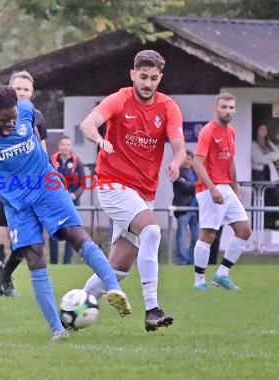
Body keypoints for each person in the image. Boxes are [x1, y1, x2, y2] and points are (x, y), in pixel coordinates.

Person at [0, 84, 132, 341]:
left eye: (14, 118)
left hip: (46, 187)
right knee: (35, 257)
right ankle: (57, 329)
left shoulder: (28, 111)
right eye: (3, 120)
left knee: (76, 235)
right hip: (16, 203)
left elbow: (35, 132)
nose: (10, 124)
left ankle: (114, 290)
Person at [79, 49, 186, 332]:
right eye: (143, 77)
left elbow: (179, 145)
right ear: (133, 75)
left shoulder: (168, 107)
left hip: (143, 194)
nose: (148, 83)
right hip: (113, 185)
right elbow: (87, 124)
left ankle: (75, 309)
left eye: (153, 78)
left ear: (160, 78)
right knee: (152, 231)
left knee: (118, 268)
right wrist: (100, 140)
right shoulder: (120, 98)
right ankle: (152, 309)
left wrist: (176, 161)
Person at [0, 70, 48, 297]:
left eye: (26, 89)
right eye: (18, 89)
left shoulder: (37, 116)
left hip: (29, 185)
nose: (22, 93)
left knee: (27, 237)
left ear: (32, 93)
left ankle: (7, 275)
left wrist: (47, 176)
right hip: (2, 184)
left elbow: (42, 148)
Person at [192, 92, 252, 291]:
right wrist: (212, 188)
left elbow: (230, 161)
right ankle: (199, 280)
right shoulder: (208, 131)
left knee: (244, 230)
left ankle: (222, 275)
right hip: (209, 188)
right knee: (208, 234)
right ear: (216, 108)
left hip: (227, 187)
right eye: (224, 107)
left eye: (231, 107)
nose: (228, 111)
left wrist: (234, 187)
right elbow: (197, 163)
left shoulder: (231, 132)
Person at [48, 136, 86, 264]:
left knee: (71, 231)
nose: (66, 147)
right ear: (59, 146)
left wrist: (75, 195)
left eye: (68, 144)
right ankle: (53, 262)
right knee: (54, 229)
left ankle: (67, 262)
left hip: (71, 203)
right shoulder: (52, 160)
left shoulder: (77, 162)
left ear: (71, 147)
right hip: (54, 202)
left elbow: (83, 183)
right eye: (63, 144)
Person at [172, 151, 199, 265]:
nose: (187, 162)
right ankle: (181, 260)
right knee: (181, 236)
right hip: (183, 209)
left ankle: (191, 260)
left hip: (196, 210)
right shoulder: (177, 173)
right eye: (185, 159)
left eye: (189, 159)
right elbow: (185, 187)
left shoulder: (197, 173)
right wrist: (199, 184)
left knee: (196, 236)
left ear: (193, 161)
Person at [251, 124, 279, 229]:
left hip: (272, 177)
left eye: (265, 129)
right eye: (261, 128)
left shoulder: (269, 143)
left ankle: (274, 223)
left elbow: (277, 154)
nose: (264, 131)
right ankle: (263, 224)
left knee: (275, 199)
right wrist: (270, 157)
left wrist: (267, 157)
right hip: (260, 177)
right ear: (257, 130)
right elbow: (258, 159)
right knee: (262, 200)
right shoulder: (253, 143)